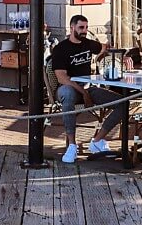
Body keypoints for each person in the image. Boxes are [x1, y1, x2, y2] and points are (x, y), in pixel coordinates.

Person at [53, 14, 126, 164]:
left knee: (123, 103)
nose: (84, 31)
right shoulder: (61, 48)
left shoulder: (87, 43)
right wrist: (84, 93)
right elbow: (62, 78)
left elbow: (105, 48)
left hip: (88, 88)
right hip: (68, 88)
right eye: (81, 27)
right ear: (72, 28)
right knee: (68, 94)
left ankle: (97, 141)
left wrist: (122, 57)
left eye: (86, 27)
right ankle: (72, 145)